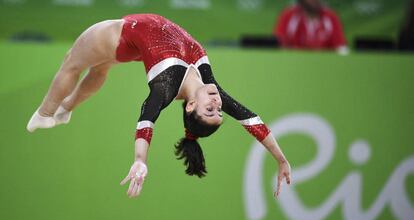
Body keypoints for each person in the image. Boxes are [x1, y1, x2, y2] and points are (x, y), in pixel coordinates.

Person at [26, 14, 291, 198]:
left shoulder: (165, 87)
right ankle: (67, 109)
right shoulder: (210, 86)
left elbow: (146, 122)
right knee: (99, 71)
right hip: (136, 44)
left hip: (121, 35)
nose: (217, 103)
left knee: (72, 62)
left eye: (210, 110)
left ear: (191, 107)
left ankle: (46, 113)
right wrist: (280, 159)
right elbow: (252, 121)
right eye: (219, 110)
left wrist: (140, 161)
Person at [274, 0, 347, 52]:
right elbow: (278, 45)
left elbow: (341, 49)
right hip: (294, 65)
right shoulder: (288, 15)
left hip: (325, 66)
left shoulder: (331, 17)